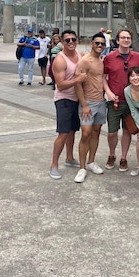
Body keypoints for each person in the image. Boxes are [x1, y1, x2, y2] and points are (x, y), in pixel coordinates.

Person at [103, 28, 139, 172]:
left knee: (127, 131)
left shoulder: (137, 57)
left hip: (133, 102)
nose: (126, 40)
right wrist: (108, 92)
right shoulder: (109, 58)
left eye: (128, 38)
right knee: (112, 132)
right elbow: (103, 77)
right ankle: (112, 154)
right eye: (123, 38)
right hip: (115, 101)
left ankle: (123, 158)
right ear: (117, 40)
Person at [48, 30, 86, 179]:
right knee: (63, 133)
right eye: (67, 40)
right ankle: (53, 165)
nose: (71, 42)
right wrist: (77, 80)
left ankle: (69, 158)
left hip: (77, 99)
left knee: (72, 131)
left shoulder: (80, 55)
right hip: (63, 99)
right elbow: (61, 85)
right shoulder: (60, 60)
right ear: (62, 43)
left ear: (77, 41)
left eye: (73, 39)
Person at [73, 32, 107, 183]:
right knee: (86, 133)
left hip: (101, 101)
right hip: (88, 103)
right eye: (97, 43)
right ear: (91, 44)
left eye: (102, 44)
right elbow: (77, 83)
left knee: (96, 132)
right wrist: (84, 105)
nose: (100, 46)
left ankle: (91, 161)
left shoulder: (102, 60)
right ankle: (82, 168)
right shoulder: (85, 61)